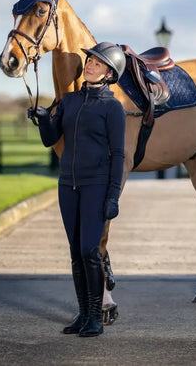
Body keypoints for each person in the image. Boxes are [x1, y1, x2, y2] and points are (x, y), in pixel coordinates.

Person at [28, 42, 126, 337]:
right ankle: (83, 315)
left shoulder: (113, 108)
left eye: (97, 63)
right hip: (66, 186)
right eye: (90, 61)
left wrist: (112, 197)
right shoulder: (69, 101)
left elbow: (118, 155)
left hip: (95, 185)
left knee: (89, 250)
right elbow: (50, 139)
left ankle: (96, 315)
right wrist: (45, 119)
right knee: (75, 252)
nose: (90, 65)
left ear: (109, 73)